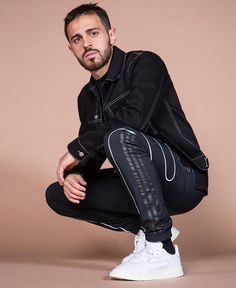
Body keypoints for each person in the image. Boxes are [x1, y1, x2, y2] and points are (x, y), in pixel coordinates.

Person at [45, 3, 209, 281]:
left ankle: (162, 248)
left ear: (112, 34)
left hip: (183, 177)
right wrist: (78, 174)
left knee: (119, 133)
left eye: (93, 33)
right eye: (77, 39)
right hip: (142, 186)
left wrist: (77, 148)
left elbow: (134, 120)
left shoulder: (145, 64)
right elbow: (95, 154)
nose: (86, 43)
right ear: (71, 49)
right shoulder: (86, 97)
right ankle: (149, 230)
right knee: (58, 194)